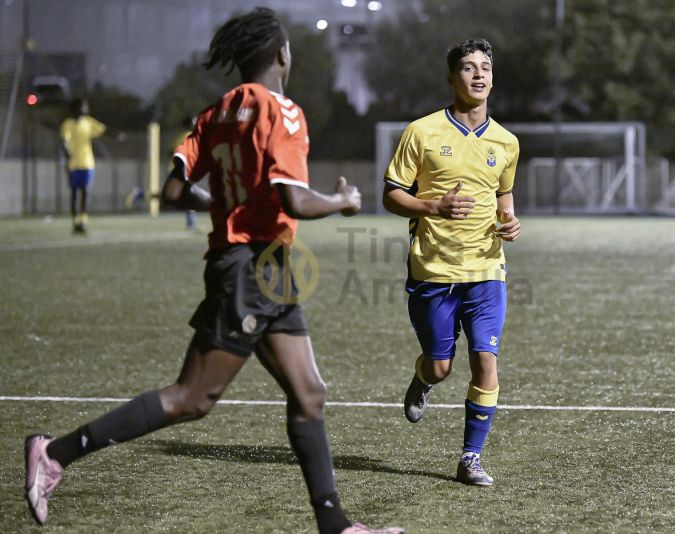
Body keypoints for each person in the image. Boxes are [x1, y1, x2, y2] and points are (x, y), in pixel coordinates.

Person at [25, 9, 403, 534]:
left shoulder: (216, 113)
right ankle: (55, 453)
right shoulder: (282, 111)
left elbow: (175, 191)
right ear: (281, 55)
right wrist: (342, 201)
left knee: (308, 392)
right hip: (250, 268)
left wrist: (226, 200)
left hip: (263, 266)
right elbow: (292, 197)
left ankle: (335, 525)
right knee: (191, 398)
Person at [382, 38, 521, 487]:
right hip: (433, 271)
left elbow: (503, 195)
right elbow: (391, 195)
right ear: (451, 77)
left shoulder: (506, 141)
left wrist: (509, 220)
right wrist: (433, 207)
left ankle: (470, 458)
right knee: (440, 366)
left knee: (486, 361)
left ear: (492, 77)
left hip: (486, 270)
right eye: (467, 67)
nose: (478, 75)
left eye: (485, 67)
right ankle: (423, 378)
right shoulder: (421, 133)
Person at [60, 98, 106, 234]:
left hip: (87, 163)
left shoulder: (88, 122)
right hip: (74, 164)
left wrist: (117, 134)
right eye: (82, 107)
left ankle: (83, 221)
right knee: (74, 194)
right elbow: (64, 140)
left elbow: (103, 130)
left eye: (85, 107)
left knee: (86, 192)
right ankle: (75, 223)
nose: (84, 109)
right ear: (74, 109)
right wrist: (67, 152)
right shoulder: (67, 124)